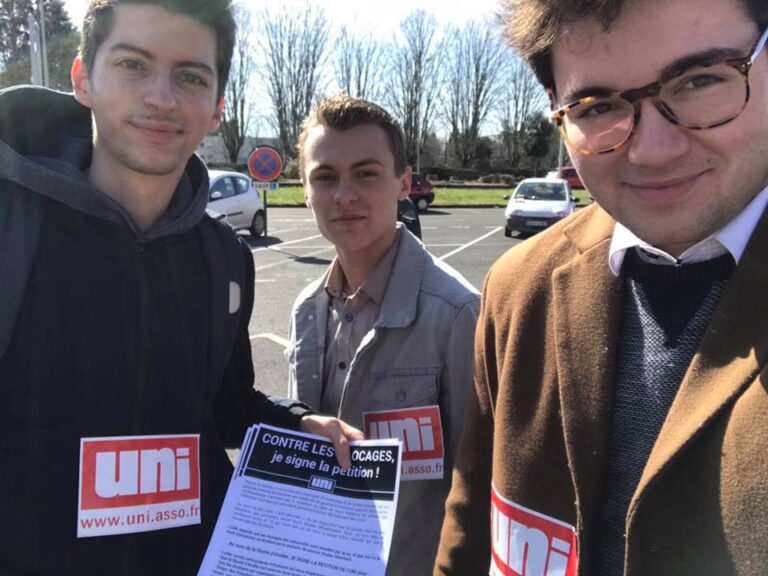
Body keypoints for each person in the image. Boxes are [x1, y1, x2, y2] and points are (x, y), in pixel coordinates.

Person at [0, 1, 361, 573]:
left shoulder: (225, 260)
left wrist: (296, 422)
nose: (162, 98)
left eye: (190, 76)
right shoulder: (12, 229)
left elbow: (225, 405)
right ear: (82, 79)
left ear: (217, 107)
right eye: (133, 64)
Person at [435, 0, 768, 574]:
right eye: (597, 106)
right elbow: (469, 535)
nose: (653, 150)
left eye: (700, 80)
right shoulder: (517, 289)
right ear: (558, 115)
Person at [287, 94, 480, 575]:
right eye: (325, 176)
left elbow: (479, 486)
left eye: (366, 173)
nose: (344, 195)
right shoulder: (306, 310)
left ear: (404, 183)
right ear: (304, 189)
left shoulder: (458, 314)